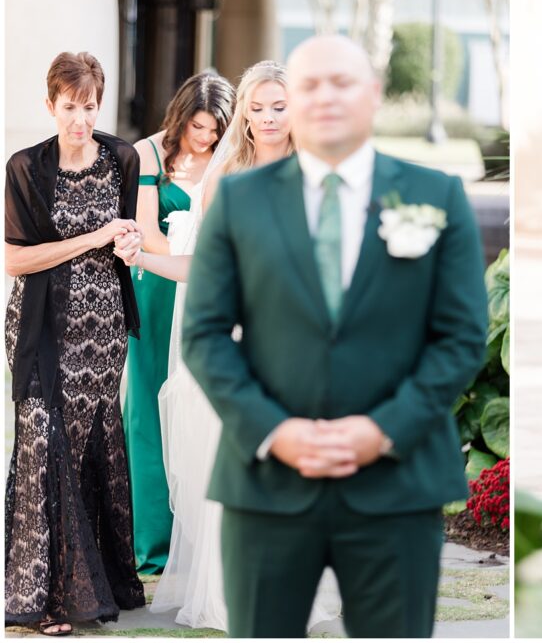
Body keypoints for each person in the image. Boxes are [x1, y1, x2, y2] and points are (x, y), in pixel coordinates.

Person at [181, 35, 489, 638]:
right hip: (268, 487)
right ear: (286, 101)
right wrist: (276, 430)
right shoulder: (239, 199)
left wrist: (383, 430)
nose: (324, 97)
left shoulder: (436, 196)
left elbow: (459, 337)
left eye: (341, 82)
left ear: (373, 95)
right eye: (308, 86)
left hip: (397, 486)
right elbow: (205, 333)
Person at [116, 61, 340, 631]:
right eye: (257, 107)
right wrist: (142, 256)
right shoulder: (227, 177)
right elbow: (205, 266)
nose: (267, 118)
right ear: (243, 113)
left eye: (278, 106)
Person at [4, 52, 146, 634]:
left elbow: (128, 242)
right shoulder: (25, 168)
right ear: (50, 105)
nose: (81, 119)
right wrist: (92, 238)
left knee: (89, 447)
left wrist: (130, 246)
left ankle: (92, 588)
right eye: (70, 107)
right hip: (40, 326)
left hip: (102, 330)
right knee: (43, 440)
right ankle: (43, 597)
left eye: (90, 107)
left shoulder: (122, 159)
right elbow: (15, 258)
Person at [123, 72, 235, 574]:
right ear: (181, 116)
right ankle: (153, 543)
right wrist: (200, 251)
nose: (205, 137)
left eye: (214, 129)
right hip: (158, 289)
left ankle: (200, 538)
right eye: (197, 126)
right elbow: (147, 233)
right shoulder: (148, 154)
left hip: (210, 294)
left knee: (200, 408)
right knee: (148, 404)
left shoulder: (231, 158)